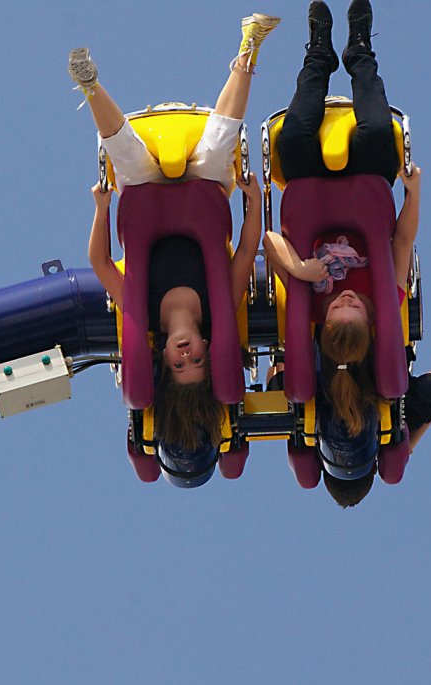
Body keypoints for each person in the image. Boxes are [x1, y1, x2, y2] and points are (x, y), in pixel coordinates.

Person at [261, 0, 431, 506]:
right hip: (366, 188)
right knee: (377, 133)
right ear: (367, 325)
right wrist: (404, 437)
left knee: (295, 138)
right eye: (352, 306)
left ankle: (317, 54)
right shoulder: (385, 304)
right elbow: (402, 242)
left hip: (310, 193)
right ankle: (359, 50)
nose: (345, 299)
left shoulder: (313, 317)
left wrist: (302, 269)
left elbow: (270, 242)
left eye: (339, 306)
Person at [73, 15, 277, 453]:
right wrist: (252, 200)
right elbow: (247, 249)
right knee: (220, 141)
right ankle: (248, 48)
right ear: (208, 346)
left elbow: (100, 263)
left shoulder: (142, 312)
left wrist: (102, 208)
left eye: (180, 364)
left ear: (164, 359)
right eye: (198, 360)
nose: (187, 354)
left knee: (126, 155)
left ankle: (89, 84)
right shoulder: (220, 304)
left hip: (145, 196)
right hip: (200, 192)